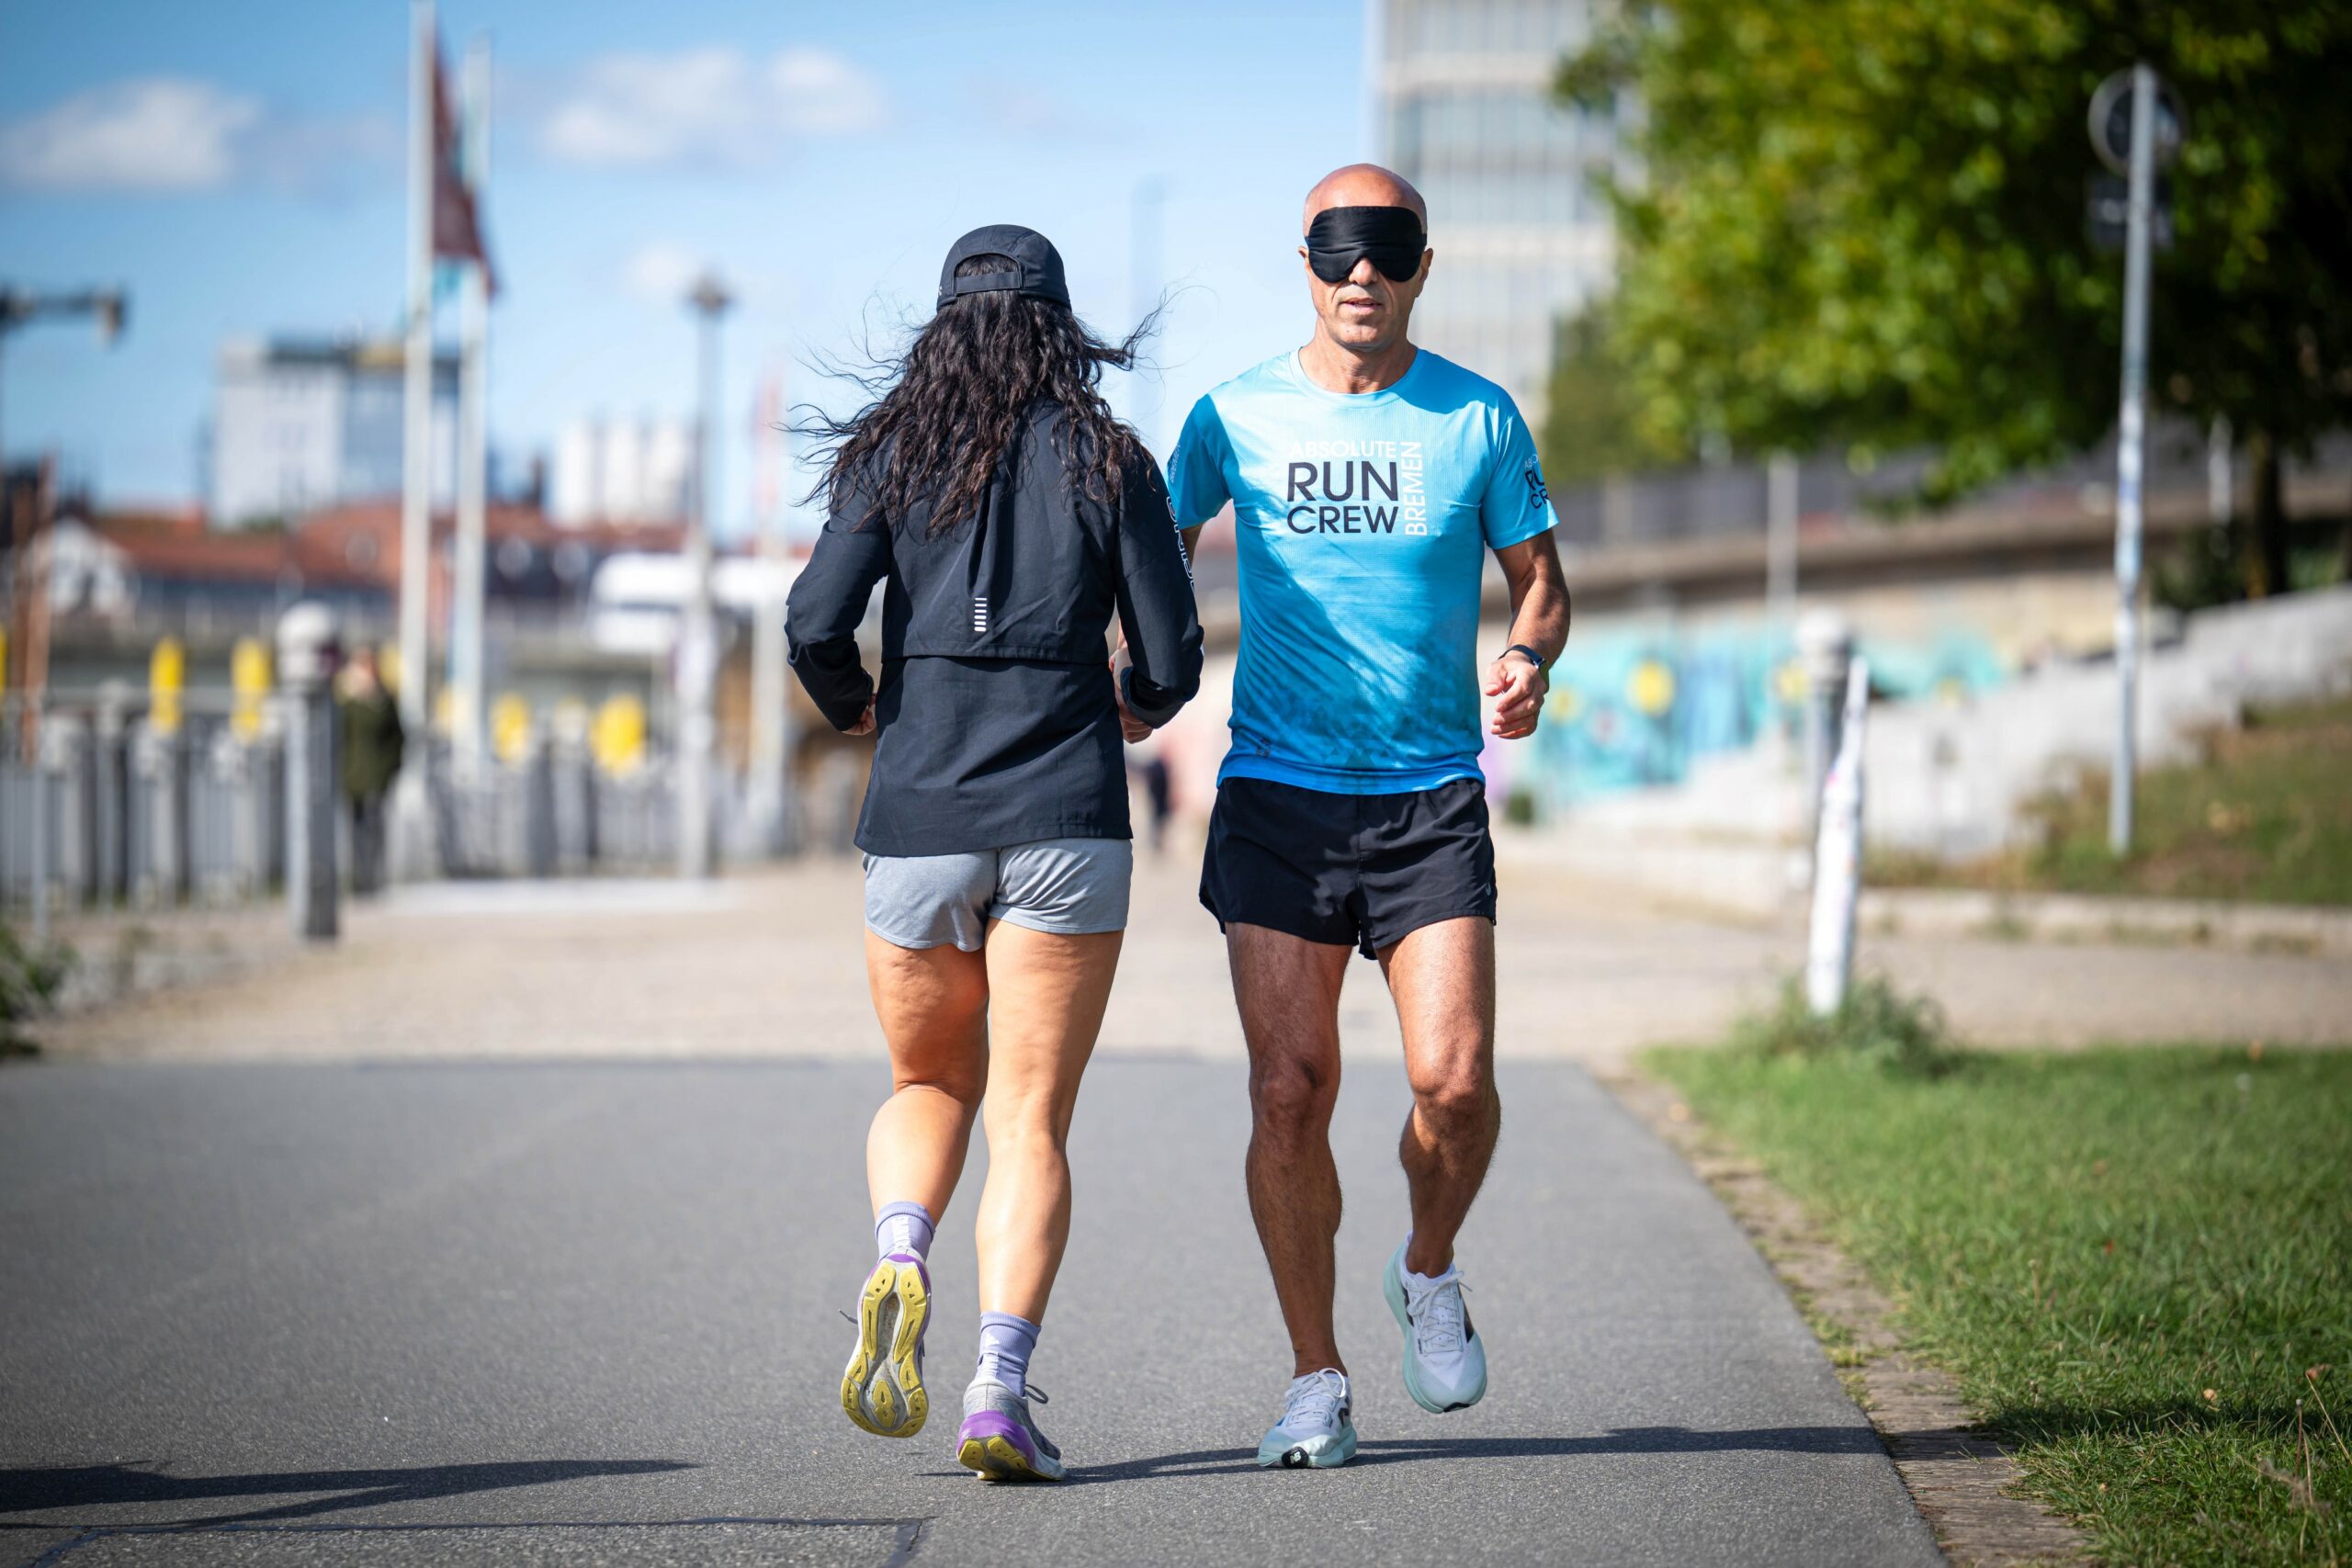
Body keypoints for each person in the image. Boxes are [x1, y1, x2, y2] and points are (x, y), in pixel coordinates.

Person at [1164, 165, 1570, 1469]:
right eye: (1340, 249)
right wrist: (1136, 662)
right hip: (1278, 794)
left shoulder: (1478, 417)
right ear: (1306, 262)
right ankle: (1314, 1377)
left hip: (1429, 794)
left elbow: (1542, 581)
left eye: (1387, 250)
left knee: (1455, 1083)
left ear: (1421, 267)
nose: (1362, 273)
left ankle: (1429, 1264)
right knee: (1292, 1089)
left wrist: (1530, 654)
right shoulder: (1230, 415)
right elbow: (1150, 551)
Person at [786, 224, 1203, 1483]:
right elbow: (1174, 659)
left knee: (928, 1083)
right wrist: (1125, 706)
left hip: (918, 813)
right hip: (1066, 812)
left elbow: (814, 618)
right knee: (1031, 1116)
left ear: (941, 322)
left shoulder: (891, 452)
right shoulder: (1109, 456)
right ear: (1063, 325)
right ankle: (996, 1388)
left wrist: (859, 705)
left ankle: (902, 1250)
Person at [335, 645, 404, 896]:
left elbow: (398, 737)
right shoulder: (345, 702)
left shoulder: (383, 701)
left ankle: (374, 878)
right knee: (355, 830)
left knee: (374, 828)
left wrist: (391, 770)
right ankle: (358, 881)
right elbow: (335, 736)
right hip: (351, 777)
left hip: (376, 777)